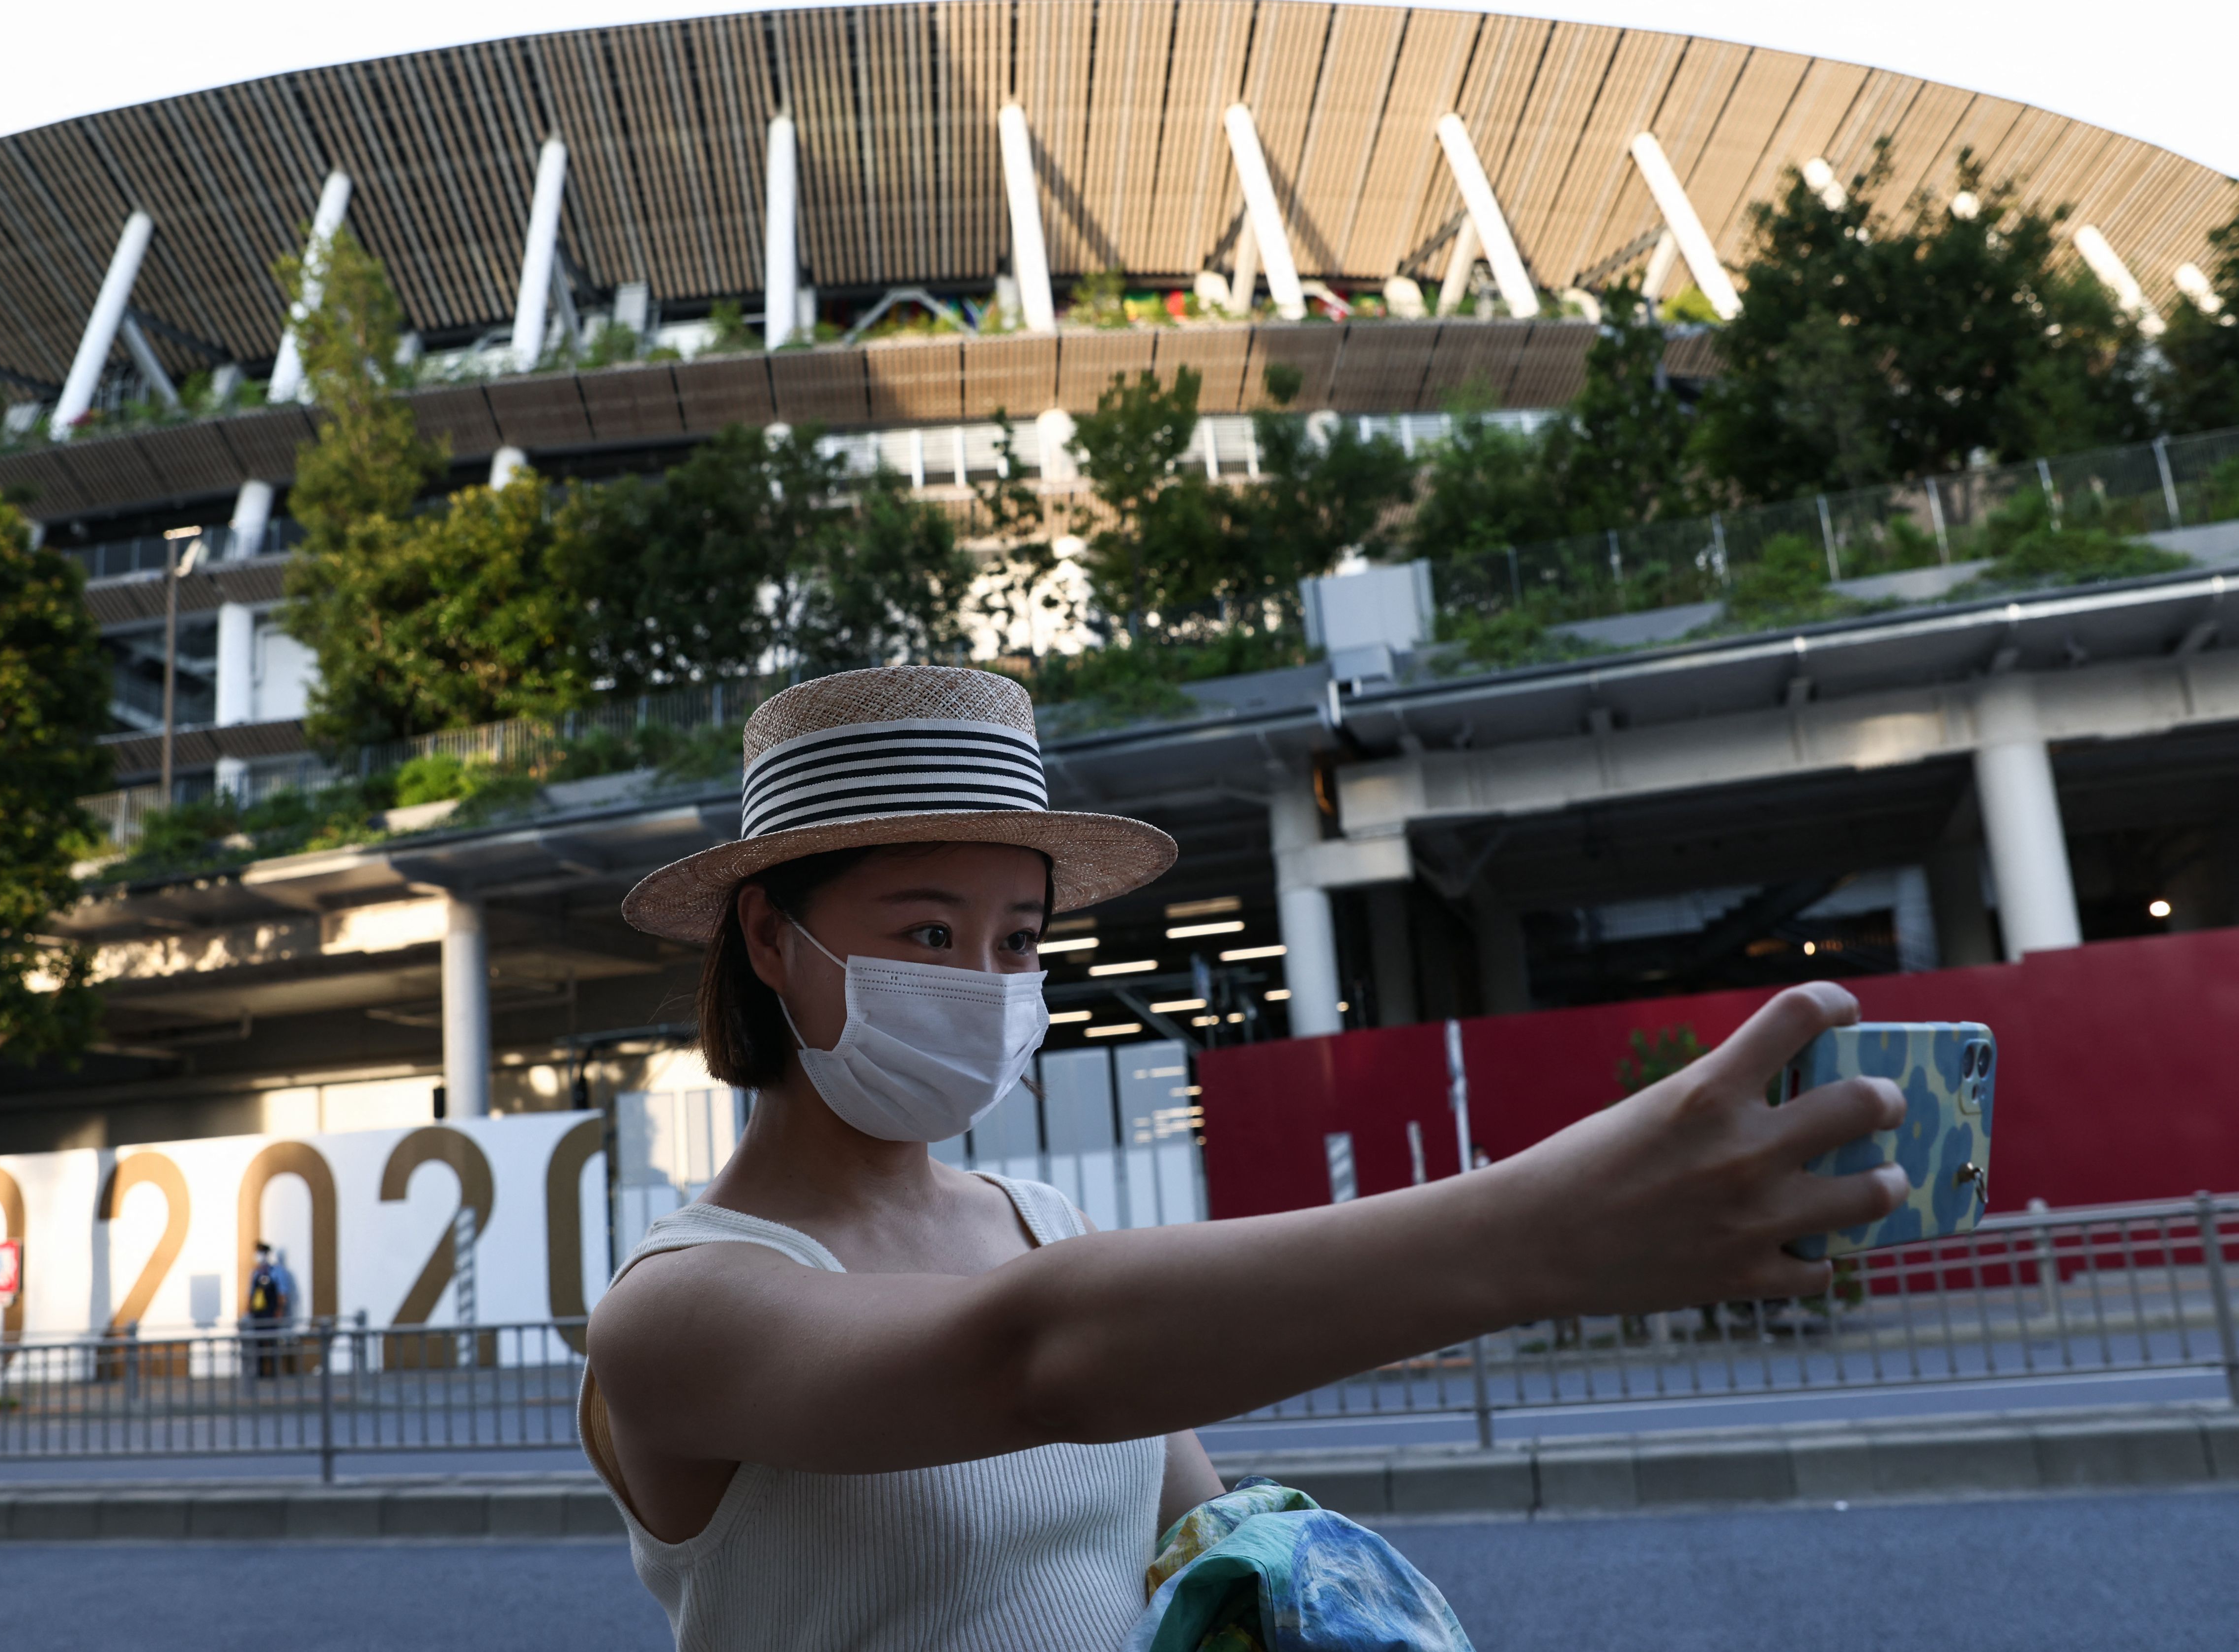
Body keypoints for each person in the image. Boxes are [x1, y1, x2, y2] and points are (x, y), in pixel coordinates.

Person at [581, 667, 1907, 1651]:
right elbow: (1034, 1357)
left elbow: (1205, 1544)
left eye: (1017, 942)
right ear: (768, 939)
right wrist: (1547, 1229)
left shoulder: (1037, 1217)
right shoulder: (676, 1309)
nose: (986, 985)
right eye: (930, 934)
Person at [244, 1240, 283, 1378]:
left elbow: (281, 1294)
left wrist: (279, 1311)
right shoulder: (256, 1273)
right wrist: (248, 1311)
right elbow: (251, 1293)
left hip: (271, 1312)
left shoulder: (276, 1272)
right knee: (258, 1343)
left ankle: (273, 1372)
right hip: (258, 1313)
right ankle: (260, 1371)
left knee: (272, 1342)